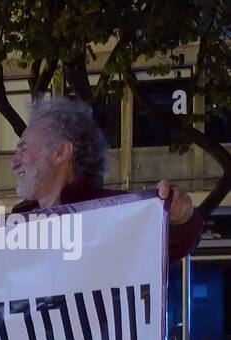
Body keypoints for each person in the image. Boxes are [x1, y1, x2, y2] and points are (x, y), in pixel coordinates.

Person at [11, 95, 202, 259]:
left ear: (61, 152)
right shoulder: (13, 225)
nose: (14, 163)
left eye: (24, 149)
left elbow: (175, 241)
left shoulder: (117, 214)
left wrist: (180, 217)